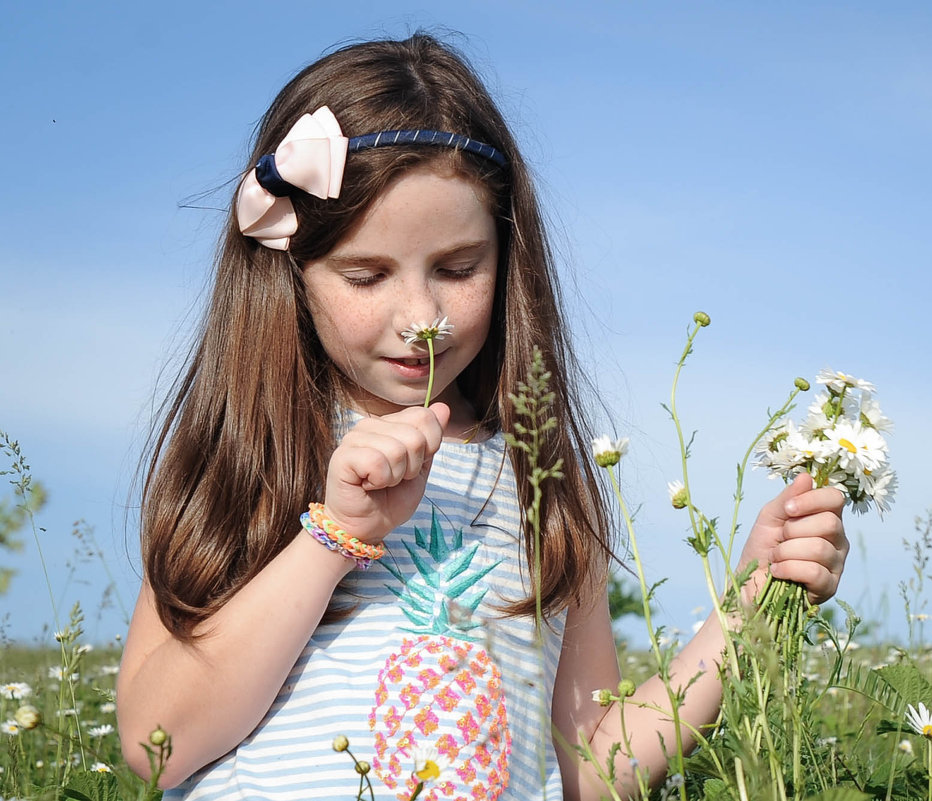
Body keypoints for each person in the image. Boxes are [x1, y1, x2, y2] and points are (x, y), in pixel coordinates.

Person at [116, 34, 849, 801]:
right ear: (290, 272)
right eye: (366, 275)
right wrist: (335, 534)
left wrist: (749, 604)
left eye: (458, 268)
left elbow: (593, 768)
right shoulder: (256, 451)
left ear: (507, 258)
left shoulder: (542, 480)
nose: (421, 317)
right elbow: (154, 742)